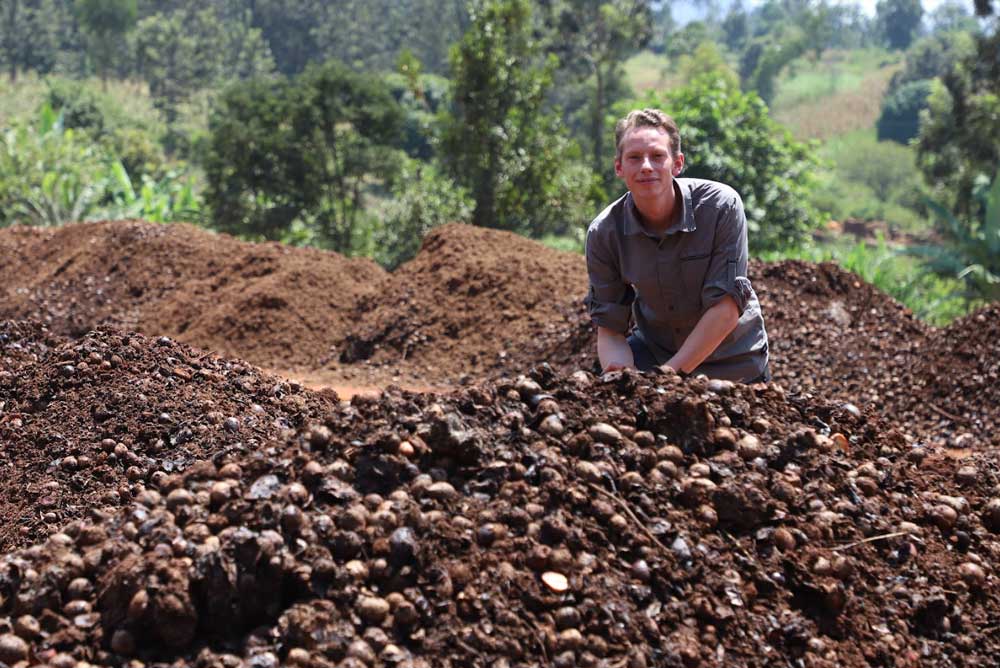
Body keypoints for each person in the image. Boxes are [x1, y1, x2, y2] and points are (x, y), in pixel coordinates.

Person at [585, 108, 769, 383]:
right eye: (634, 158)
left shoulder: (720, 206)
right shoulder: (604, 233)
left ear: (677, 163)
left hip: (734, 364)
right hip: (656, 355)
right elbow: (610, 328)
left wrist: (667, 378)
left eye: (657, 156)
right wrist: (622, 376)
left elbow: (726, 308)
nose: (646, 166)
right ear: (619, 167)